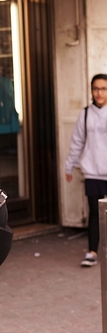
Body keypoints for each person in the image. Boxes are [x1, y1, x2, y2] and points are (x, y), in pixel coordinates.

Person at [65, 73, 107, 268]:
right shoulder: (86, 114)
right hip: (92, 173)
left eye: (103, 89)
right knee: (95, 214)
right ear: (91, 90)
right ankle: (92, 252)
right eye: (96, 88)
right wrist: (70, 165)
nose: (99, 92)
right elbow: (77, 142)